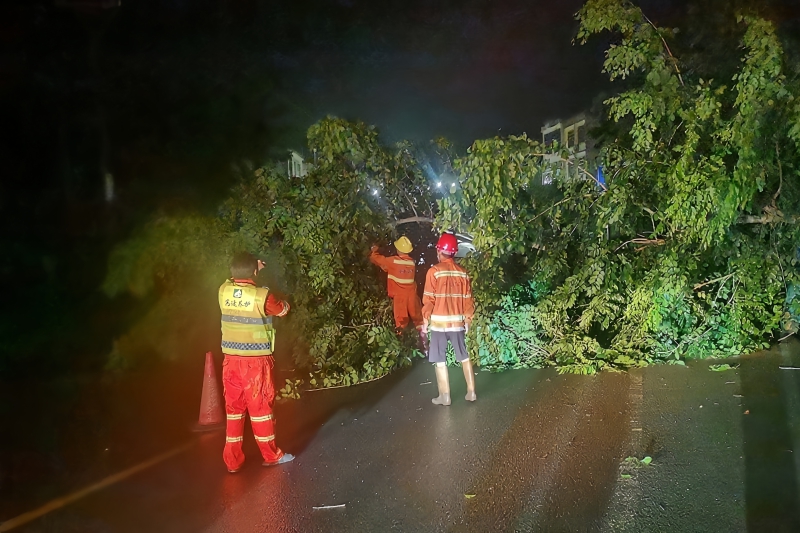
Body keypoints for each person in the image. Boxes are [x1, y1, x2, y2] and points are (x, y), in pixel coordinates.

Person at [218, 252, 294, 473]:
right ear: (254, 270)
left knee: (234, 410)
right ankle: (271, 456)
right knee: (260, 409)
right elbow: (281, 310)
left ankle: (232, 462)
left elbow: (237, 285)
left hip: (231, 361)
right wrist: (260, 274)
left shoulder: (223, 291)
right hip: (255, 364)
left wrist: (251, 269)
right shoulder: (262, 296)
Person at [421, 233, 476, 405]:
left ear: (439, 250)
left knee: (439, 359)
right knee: (464, 356)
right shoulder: (463, 274)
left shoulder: (434, 272)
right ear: (454, 252)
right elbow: (468, 300)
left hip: (438, 325)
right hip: (457, 324)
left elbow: (429, 299)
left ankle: (445, 396)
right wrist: (467, 320)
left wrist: (425, 321)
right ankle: (471, 392)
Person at [369, 236, 427, 350]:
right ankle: (425, 345)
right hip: (412, 296)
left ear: (398, 249)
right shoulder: (411, 262)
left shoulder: (393, 261)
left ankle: (400, 348)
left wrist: (374, 250)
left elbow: (376, 260)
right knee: (419, 320)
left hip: (400, 297)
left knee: (400, 322)